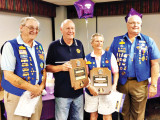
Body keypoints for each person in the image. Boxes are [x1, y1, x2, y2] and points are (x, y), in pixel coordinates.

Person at [109, 8, 160, 120]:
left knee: (138, 115)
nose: (135, 25)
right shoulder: (116, 41)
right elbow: (110, 62)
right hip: (121, 83)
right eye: (132, 23)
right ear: (127, 24)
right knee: (123, 113)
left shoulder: (148, 41)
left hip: (140, 84)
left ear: (141, 25)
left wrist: (154, 85)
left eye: (138, 23)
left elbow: (155, 64)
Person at [1, 17, 46, 120]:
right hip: (17, 96)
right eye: (30, 27)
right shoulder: (10, 46)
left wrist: (41, 87)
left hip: (36, 96)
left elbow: (43, 70)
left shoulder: (39, 46)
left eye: (37, 28)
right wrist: (33, 88)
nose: (34, 31)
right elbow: (8, 75)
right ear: (21, 28)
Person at [46, 19, 85, 120]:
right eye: (67, 28)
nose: (70, 31)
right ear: (61, 29)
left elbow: (83, 64)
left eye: (72, 28)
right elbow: (47, 67)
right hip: (62, 94)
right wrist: (61, 67)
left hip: (79, 93)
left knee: (78, 118)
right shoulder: (54, 46)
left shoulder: (79, 44)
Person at [85, 33, 119, 120]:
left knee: (107, 115)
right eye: (96, 41)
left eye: (101, 41)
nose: (99, 43)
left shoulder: (110, 56)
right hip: (92, 91)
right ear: (92, 43)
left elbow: (116, 72)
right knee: (93, 115)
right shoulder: (87, 58)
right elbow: (85, 75)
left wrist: (114, 85)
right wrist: (89, 87)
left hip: (107, 91)